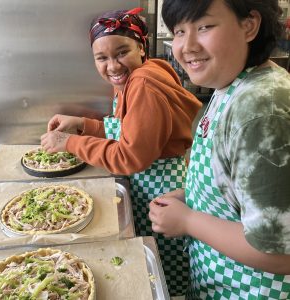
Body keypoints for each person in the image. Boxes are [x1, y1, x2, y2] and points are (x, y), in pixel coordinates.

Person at [41, 7, 202, 296]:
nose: (112, 66)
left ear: (141, 48)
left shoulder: (143, 85)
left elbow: (130, 156)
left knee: (164, 264)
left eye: (121, 52)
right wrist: (82, 124)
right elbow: (127, 130)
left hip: (160, 187)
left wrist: (69, 143)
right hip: (152, 180)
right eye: (101, 58)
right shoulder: (137, 77)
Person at [149, 0, 290, 299]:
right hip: (218, 282)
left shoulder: (262, 108)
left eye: (204, 27)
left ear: (249, 25)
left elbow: (280, 254)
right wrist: (195, 195)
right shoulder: (232, 85)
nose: (187, 46)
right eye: (179, 31)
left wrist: (188, 220)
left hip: (251, 290)